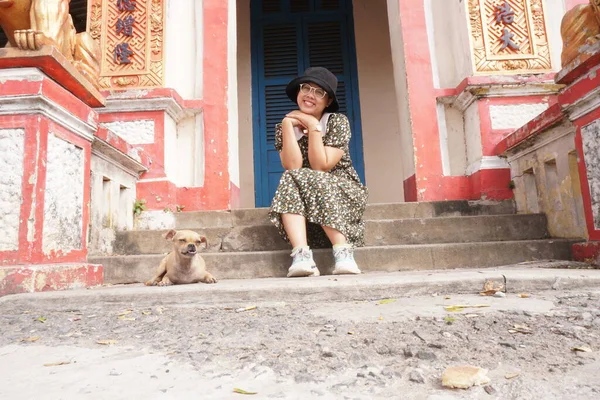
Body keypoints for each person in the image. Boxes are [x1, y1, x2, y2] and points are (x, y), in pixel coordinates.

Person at [269, 67, 368, 278]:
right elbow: (293, 167)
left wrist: (314, 126)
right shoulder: (284, 126)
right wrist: (287, 125)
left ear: (328, 101)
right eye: (306, 88)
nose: (310, 95)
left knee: (316, 176)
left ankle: (343, 252)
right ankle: (301, 255)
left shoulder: (337, 122)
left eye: (319, 92)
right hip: (306, 202)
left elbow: (321, 165)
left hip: (342, 192)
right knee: (290, 176)